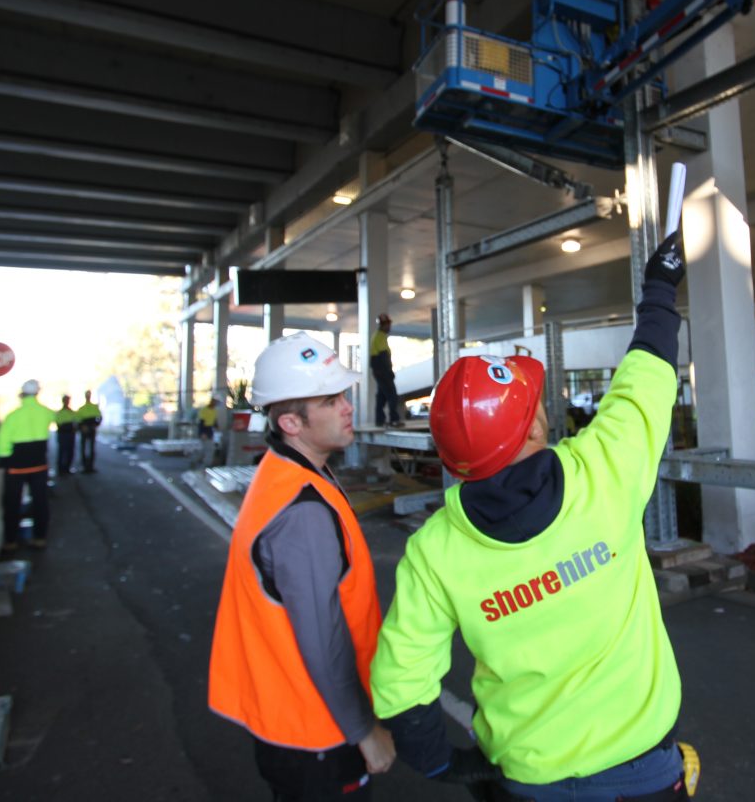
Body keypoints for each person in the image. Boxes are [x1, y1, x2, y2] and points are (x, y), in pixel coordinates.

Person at [370, 231, 689, 801]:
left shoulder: (435, 550)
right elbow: (647, 378)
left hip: (528, 778)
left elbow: (401, 682)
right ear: (537, 429)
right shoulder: (604, 470)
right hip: (644, 770)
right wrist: (661, 288)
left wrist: (441, 764)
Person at [208, 332, 396, 800]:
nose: (347, 407)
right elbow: (322, 636)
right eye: (331, 400)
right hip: (317, 733)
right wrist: (363, 730)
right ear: (291, 422)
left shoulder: (286, 471)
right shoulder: (303, 513)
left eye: (343, 395)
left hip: (293, 717)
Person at [0, 379, 56, 551]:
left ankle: (10, 541)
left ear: (21, 395)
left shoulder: (13, 416)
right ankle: (40, 538)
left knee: (12, 504)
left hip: (16, 467)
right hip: (39, 465)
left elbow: (3, 442)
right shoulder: (46, 412)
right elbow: (58, 419)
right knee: (40, 503)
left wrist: (4, 460)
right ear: (37, 393)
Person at [369, 313, 402, 428]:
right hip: (382, 371)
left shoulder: (378, 336)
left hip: (379, 370)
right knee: (392, 395)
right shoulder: (380, 337)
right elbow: (383, 356)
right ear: (384, 325)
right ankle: (394, 419)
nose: (389, 327)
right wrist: (389, 371)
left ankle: (379, 420)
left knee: (381, 396)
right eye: (388, 324)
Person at [77, 389, 103, 473]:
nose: (88, 396)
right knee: (84, 448)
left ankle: (90, 466)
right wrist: (82, 427)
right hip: (84, 430)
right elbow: (78, 420)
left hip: (92, 429)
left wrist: (95, 425)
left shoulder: (94, 407)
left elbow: (99, 418)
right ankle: (84, 466)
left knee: (91, 448)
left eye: (89, 395)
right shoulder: (82, 408)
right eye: (87, 395)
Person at [54, 394, 77, 476]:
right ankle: (61, 470)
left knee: (70, 451)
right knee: (62, 451)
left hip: (70, 434)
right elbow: (59, 424)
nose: (67, 402)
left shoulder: (72, 412)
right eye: (65, 400)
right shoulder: (59, 412)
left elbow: (76, 422)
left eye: (68, 400)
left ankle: (67, 468)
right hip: (63, 434)